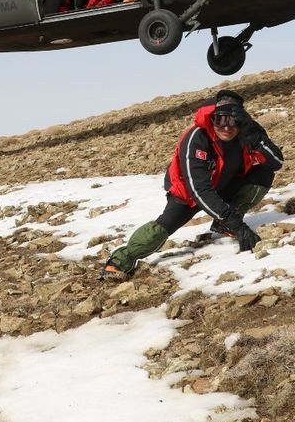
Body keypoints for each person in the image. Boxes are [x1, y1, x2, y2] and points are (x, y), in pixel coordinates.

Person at [101, 90, 284, 280]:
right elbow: (199, 189)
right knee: (163, 227)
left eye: (233, 121)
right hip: (188, 194)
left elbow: (276, 163)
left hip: (225, 183)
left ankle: (223, 225)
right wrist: (238, 225)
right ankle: (119, 262)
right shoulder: (196, 138)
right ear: (211, 118)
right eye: (220, 120)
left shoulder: (248, 132)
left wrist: (253, 135)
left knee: (262, 174)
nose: (227, 127)